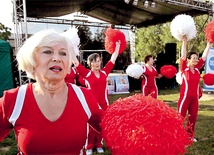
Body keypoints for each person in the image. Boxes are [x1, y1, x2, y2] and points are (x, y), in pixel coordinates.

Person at [0, 29, 103, 154]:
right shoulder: (13, 99)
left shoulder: (84, 96)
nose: (57, 58)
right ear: (31, 60)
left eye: (63, 53)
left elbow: (115, 129)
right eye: (48, 52)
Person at [72, 41, 121, 155]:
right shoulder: (86, 74)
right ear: (90, 63)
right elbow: (75, 62)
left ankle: (99, 144)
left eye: (98, 61)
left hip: (104, 104)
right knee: (90, 127)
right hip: (91, 105)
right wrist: (70, 48)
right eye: (94, 61)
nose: (97, 63)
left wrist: (117, 46)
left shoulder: (104, 72)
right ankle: (89, 147)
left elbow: (112, 59)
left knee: (101, 126)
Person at [177, 36, 212, 142]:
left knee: (193, 118)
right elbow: (183, 55)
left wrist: (209, 44)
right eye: (194, 58)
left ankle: (190, 137)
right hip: (184, 98)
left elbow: (204, 57)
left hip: (195, 99)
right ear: (188, 60)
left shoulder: (197, 69)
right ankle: (177, 137)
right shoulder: (184, 68)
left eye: (197, 58)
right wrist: (184, 41)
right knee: (180, 118)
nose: (196, 60)